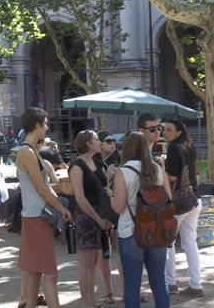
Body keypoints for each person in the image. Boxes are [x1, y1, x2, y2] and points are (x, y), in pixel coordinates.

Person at [16, 107, 72, 308]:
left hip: (35, 216)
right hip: (37, 217)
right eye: (46, 123)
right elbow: (41, 188)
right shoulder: (26, 152)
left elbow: (43, 187)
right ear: (37, 125)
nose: (47, 127)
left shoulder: (30, 151)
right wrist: (62, 209)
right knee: (50, 272)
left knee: (35, 270)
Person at [110, 131, 171, 307]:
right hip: (157, 230)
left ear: (127, 148)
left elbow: (119, 207)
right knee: (159, 281)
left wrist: (110, 196)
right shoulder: (156, 169)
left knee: (132, 284)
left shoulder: (123, 172)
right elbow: (168, 197)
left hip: (131, 231)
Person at [69, 129, 113, 308]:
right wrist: (98, 219)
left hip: (101, 214)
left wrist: (109, 193)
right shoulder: (77, 166)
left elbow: (103, 187)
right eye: (96, 139)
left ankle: (92, 300)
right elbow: (80, 198)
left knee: (95, 261)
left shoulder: (97, 163)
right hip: (87, 217)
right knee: (87, 262)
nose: (99, 142)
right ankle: (85, 302)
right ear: (88, 143)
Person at [163, 118, 204, 297]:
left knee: (168, 243)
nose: (165, 132)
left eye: (169, 130)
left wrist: (161, 167)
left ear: (178, 132)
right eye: (164, 129)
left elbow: (172, 177)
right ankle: (196, 284)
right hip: (194, 198)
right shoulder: (188, 146)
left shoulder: (173, 149)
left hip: (179, 202)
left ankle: (170, 283)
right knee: (190, 243)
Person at [95, 130, 120, 304]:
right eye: (108, 141)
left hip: (118, 210)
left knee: (123, 251)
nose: (112, 144)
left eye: (113, 141)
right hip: (101, 212)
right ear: (99, 144)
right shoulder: (94, 163)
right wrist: (108, 176)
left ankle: (130, 288)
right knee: (104, 253)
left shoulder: (117, 160)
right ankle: (109, 291)